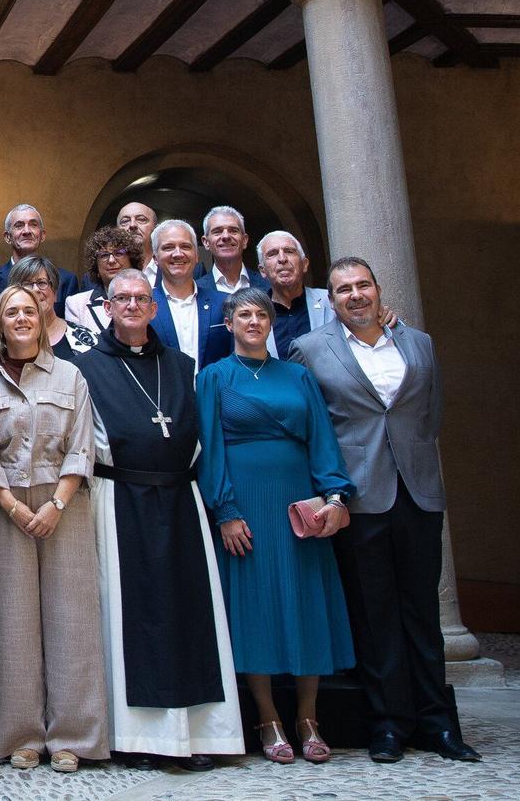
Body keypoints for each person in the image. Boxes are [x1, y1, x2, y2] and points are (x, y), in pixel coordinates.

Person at [289, 258, 480, 764]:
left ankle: (438, 724)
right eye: (343, 289)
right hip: (358, 497)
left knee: (422, 611)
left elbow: (429, 415)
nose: (355, 295)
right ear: (329, 301)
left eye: (363, 285)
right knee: (374, 617)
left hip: (417, 491)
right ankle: (388, 725)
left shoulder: (418, 343)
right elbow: (312, 426)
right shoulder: (310, 349)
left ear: (377, 290)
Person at [63, 270, 241, 770]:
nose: (133, 306)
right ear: (108, 306)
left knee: (190, 613)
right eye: (122, 298)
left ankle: (200, 734)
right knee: (130, 617)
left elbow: (202, 437)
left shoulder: (183, 368)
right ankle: (139, 739)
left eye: (142, 298)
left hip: (181, 502)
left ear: (154, 307)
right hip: (119, 500)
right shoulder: (85, 369)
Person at [197, 287, 355, 766]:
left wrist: (333, 495)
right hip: (245, 505)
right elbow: (209, 448)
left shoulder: (299, 376)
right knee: (255, 608)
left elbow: (322, 440)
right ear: (229, 324)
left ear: (271, 323)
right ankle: (267, 718)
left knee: (305, 601)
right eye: (243, 314)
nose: (252, 321)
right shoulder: (214, 377)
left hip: (297, 503)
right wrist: (225, 511)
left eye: (260, 314)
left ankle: (308, 717)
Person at [0, 283, 106, 773]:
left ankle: (73, 736)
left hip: (63, 505)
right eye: (12, 312)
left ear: (41, 316)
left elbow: (82, 444)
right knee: (14, 624)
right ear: (0, 323)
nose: (23, 319)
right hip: (5, 507)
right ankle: (23, 736)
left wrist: (55, 502)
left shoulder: (70, 375)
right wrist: (10, 504)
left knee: (72, 621)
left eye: (30, 310)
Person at [148, 219, 217, 368]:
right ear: (155, 259)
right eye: (168, 247)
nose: (178, 254)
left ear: (197, 255)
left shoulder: (223, 304)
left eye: (185, 246)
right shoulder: (142, 306)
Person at [0, 205, 78, 317]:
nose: (26, 231)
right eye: (19, 226)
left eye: (33, 225)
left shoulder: (66, 279)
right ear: (7, 237)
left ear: (42, 235)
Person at [256, 230, 335, 350]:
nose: (282, 259)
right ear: (262, 270)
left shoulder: (330, 301)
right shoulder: (253, 314)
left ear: (304, 264)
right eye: (272, 253)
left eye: (289, 251)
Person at [7, 254, 99, 354]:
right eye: (27, 284)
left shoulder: (87, 339)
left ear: (55, 292)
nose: (36, 289)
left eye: (42, 283)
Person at [64, 226, 142, 340]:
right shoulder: (76, 304)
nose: (111, 260)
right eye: (104, 255)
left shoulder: (148, 298)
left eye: (119, 253)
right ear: (96, 266)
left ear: (132, 260)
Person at [199, 207, 267, 296]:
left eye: (233, 231)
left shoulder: (268, 285)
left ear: (244, 240)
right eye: (217, 232)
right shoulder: (196, 290)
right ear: (206, 242)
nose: (226, 236)